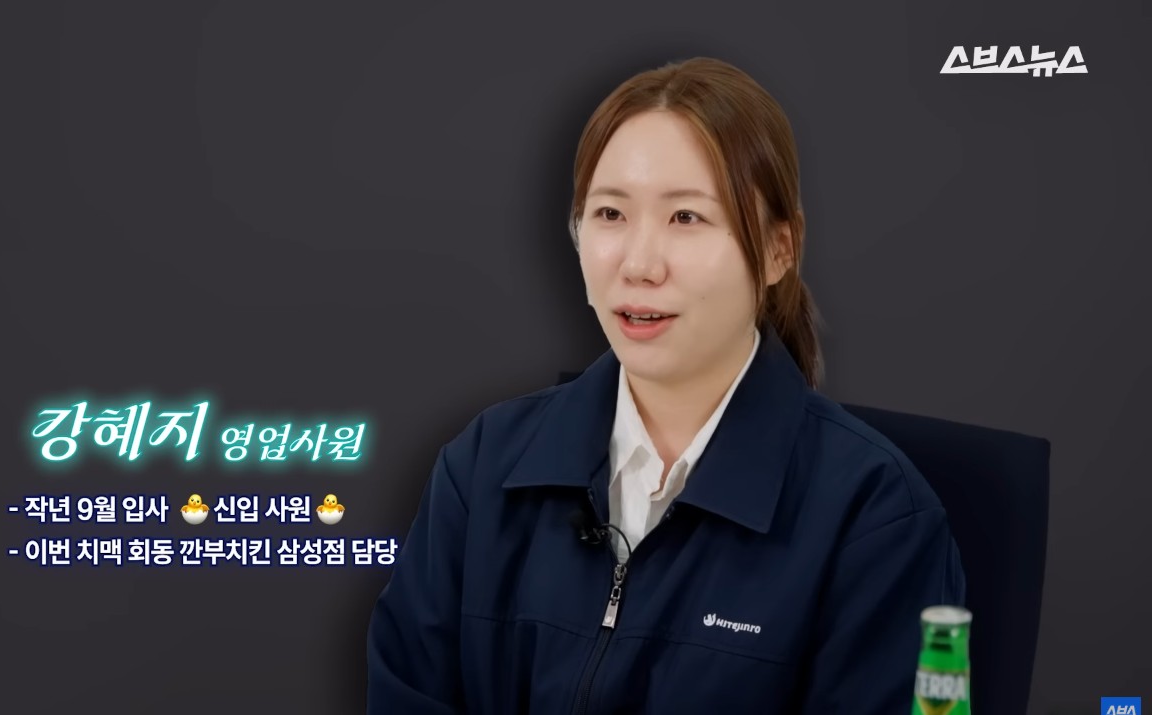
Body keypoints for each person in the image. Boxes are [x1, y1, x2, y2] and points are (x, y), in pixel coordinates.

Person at [366, 56, 966, 714]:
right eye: (610, 213)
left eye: (685, 217)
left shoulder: (876, 517)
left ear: (779, 249)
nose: (639, 264)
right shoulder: (484, 466)